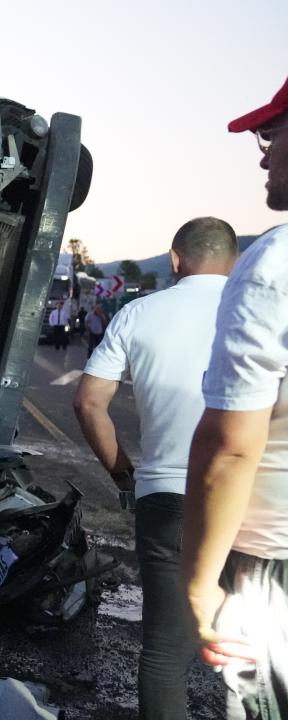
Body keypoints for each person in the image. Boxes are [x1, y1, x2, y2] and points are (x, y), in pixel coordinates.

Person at [72, 217, 238, 719]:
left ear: (175, 259)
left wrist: (125, 476)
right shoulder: (265, 312)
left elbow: (89, 403)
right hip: (259, 501)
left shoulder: (138, 313)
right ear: (235, 262)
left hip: (169, 498)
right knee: (268, 651)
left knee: (165, 657)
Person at [183, 75, 288, 719]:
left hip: (272, 559)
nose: (264, 154)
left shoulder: (274, 265)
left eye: (272, 133)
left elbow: (231, 448)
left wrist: (199, 586)